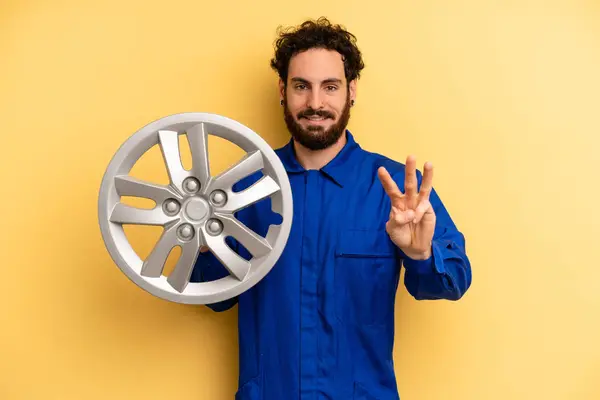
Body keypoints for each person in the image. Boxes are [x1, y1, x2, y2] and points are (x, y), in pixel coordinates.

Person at [190, 17, 472, 400]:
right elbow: (218, 297)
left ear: (351, 91)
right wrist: (201, 238)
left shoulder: (394, 191)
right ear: (282, 90)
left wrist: (420, 253)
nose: (315, 103)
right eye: (301, 86)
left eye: (330, 87)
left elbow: (453, 280)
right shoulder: (242, 188)